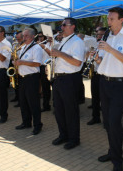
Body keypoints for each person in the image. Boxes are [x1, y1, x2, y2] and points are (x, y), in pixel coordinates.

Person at [95, 7, 123, 171]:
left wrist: (110, 50)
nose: (109, 22)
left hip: (119, 84)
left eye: (112, 19)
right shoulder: (107, 36)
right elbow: (104, 61)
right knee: (107, 122)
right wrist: (97, 58)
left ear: (121, 20)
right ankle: (112, 151)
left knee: (114, 122)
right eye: (108, 19)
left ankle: (118, 161)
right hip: (104, 82)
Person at [40, 17, 85, 150]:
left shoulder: (77, 42)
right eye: (61, 25)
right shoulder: (63, 40)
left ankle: (74, 138)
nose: (62, 27)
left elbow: (77, 62)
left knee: (71, 111)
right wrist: (50, 46)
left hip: (70, 79)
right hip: (59, 78)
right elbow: (55, 56)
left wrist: (60, 53)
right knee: (59, 110)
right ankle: (63, 134)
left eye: (64, 25)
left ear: (73, 27)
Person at [14, 28, 43, 135]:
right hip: (23, 78)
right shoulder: (23, 47)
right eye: (23, 36)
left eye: (25, 36)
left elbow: (37, 63)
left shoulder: (36, 48)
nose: (23, 38)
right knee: (23, 102)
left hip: (32, 78)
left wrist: (22, 62)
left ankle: (37, 125)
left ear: (31, 36)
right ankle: (26, 122)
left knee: (33, 103)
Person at [86, 27, 107, 125]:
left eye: (102, 34)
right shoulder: (96, 45)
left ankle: (106, 120)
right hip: (94, 73)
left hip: (103, 74)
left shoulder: (107, 47)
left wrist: (98, 58)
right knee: (94, 97)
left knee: (104, 99)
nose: (99, 36)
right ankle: (95, 117)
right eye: (98, 34)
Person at [38, 34, 51, 112]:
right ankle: (46, 106)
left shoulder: (54, 44)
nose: (40, 38)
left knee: (52, 87)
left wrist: (43, 47)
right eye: (39, 37)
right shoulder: (41, 45)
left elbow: (51, 54)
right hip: (42, 67)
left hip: (50, 66)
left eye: (42, 36)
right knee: (45, 88)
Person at [10, 31, 24, 107]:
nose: (17, 40)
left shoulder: (24, 46)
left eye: (19, 39)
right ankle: (16, 96)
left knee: (20, 86)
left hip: (21, 67)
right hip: (15, 66)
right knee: (15, 83)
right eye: (17, 38)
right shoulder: (15, 45)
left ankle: (20, 100)